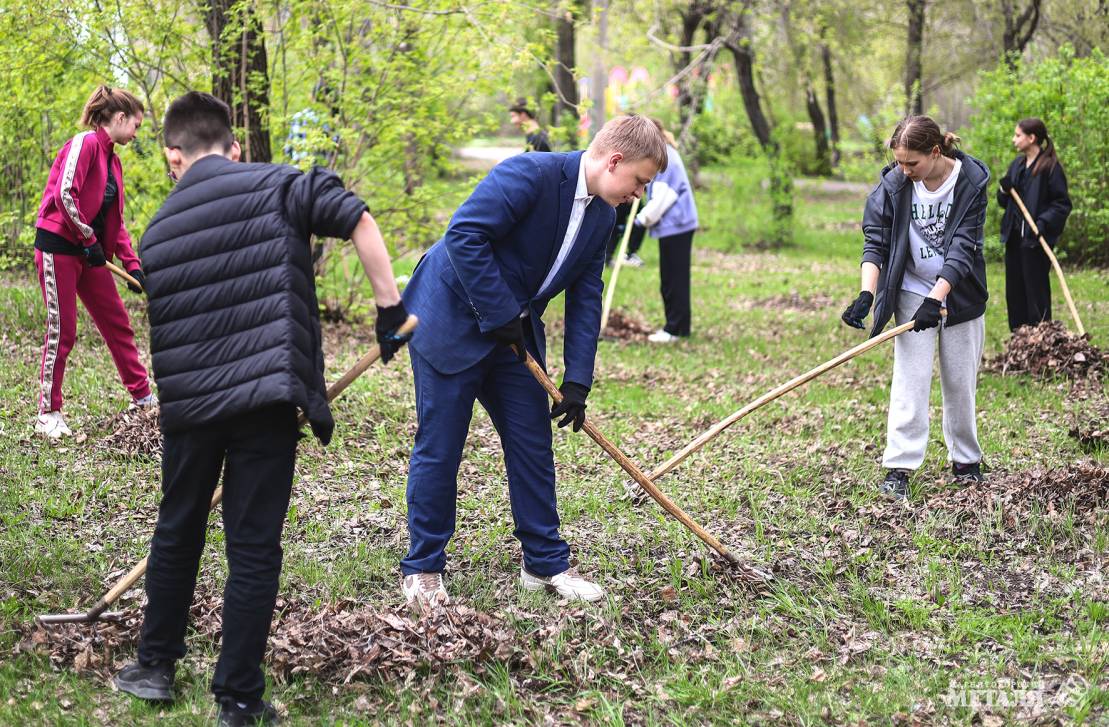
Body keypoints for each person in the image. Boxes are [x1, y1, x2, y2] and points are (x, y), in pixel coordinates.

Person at [111, 92, 409, 726]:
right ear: (234, 146)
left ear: (173, 156)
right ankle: (238, 699)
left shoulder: (156, 233)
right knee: (252, 546)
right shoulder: (279, 184)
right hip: (266, 397)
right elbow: (356, 217)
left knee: (178, 526)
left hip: (190, 407)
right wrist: (388, 312)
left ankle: (154, 666)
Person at [399, 115, 667, 611]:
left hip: (512, 339)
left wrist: (578, 381)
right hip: (449, 319)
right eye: (640, 181)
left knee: (532, 444)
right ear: (614, 161)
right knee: (442, 446)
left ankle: (543, 565)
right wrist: (499, 311)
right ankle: (423, 569)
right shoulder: (529, 174)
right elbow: (464, 236)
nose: (639, 195)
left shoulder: (603, 217)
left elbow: (587, 297)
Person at [840, 115, 990, 500]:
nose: (903, 171)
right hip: (910, 291)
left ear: (935, 152)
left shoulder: (970, 182)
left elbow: (962, 250)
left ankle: (966, 461)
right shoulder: (895, 183)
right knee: (910, 379)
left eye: (912, 164)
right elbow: (876, 240)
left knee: (960, 381)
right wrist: (866, 294)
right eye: (900, 162)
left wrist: (936, 298)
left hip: (960, 295)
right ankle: (899, 467)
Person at [33, 85, 154, 439]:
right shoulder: (84, 144)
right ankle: (48, 413)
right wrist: (87, 239)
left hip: (91, 254)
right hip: (59, 248)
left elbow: (115, 222)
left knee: (117, 321)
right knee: (63, 330)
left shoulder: (113, 161)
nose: (136, 134)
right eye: (136, 125)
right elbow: (64, 194)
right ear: (119, 118)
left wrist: (133, 266)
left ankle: (142, 396)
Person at [997, 117, 1072, 331]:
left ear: (1032, 138)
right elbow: (1005, 202)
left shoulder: (1050, 167)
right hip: (1014, 239)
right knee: (1015, 289)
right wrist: (1003, 190)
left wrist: (1043, 223)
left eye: (1018, 135)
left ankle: (1040, 336)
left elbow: (1062, 203)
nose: (1014, 140)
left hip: (1036, 240)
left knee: (1035, 289)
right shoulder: (1017, 165)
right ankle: (1019, 337)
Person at [634, 119, 698, 343]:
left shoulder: (665, 158)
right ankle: (679, 327)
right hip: (676, 226)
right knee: (672, 277)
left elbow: (663, 197)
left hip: (677, 226)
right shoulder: (664, 153)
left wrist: (640, 220)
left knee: (673, 279)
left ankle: (675, 328)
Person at [604, 199, 647, 267]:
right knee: (617, 225)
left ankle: (631, 255)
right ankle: (607, 257)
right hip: (621, 196)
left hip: (635, 199)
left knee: (642, 219)